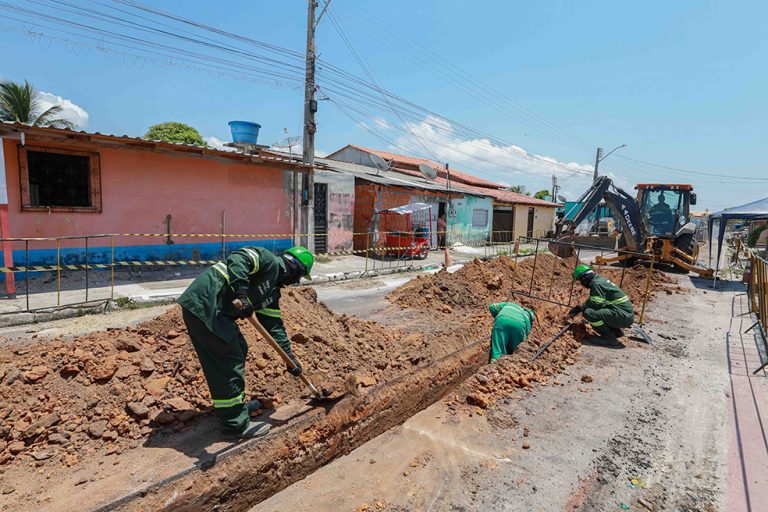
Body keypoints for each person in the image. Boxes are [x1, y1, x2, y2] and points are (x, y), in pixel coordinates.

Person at [177, 245, 314, 440]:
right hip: (206, 302)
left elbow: (274, 326)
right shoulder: (267, 260)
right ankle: (235, 424)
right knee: (229, 359)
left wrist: (289, 358)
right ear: (296, 269)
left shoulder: (272, 292)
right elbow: (239, 258)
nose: (297, 281)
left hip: (218, 312)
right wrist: (241, 292)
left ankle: (235, 408)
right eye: (299, 276)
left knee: (240, 348)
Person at [568, 264, 634, 345]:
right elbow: (596, 301)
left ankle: (609, 338)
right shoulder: (599, 280)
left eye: (580, 280)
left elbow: (595, 303)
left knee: (589, 313)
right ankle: (616, 332)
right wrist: (581, 307)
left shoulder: (596, 284)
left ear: (584, 277)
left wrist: (580, 308)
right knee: (598, 311)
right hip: (624, 315)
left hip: (623, 316)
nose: (581, 283)